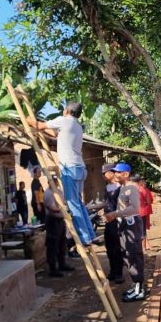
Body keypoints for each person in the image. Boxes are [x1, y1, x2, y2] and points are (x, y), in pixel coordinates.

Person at [28, 102, 97, 246]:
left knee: (73, 205)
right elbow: (53, 133)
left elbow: (39, 126)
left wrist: (29, 121)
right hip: (80, 168)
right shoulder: (77, 126)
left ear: (66, 111)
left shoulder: (64, 120)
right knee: (79, 204)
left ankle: (85, 238)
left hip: (70, 169)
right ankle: (90, 234)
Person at [104, 163, 146, 302]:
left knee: (134, 254)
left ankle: (139, 289)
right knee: (127, 255)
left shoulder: (131, 189)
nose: (115, 174)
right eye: (114, 172)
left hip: (131, 224)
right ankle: (135, 285)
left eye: (118, 172)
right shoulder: (122, 188)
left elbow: (134, 209)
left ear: (126, 174)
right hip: (123, 224)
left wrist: (115, 214)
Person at [44, 176, 75, 277]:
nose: (56, 182)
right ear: (50, 182)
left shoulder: (59, 191)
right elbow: (53, 208)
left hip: (61, 220)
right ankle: (53, 269)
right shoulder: (48, 193)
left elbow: (65, 201)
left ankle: (62, 264)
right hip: (52, 221)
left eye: (56, 180)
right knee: (53, 245)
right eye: (54, 181)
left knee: (62, 243)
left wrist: (68, 205)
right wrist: (63, 208)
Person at [102, 164, 124, 284]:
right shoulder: (107, 187)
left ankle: (119, 273)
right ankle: (112, 271)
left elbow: (123, 206)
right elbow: (106, 204)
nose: (103, 176)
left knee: (117, 248)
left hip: (117, 220)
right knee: (109, 247)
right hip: (108, 221)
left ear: (111, 173)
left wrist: (114, 215)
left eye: (104, 173)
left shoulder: (120, 187)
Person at [133, 175, 154, 251]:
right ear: (139, 181)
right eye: (143, 180)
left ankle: (142, 247)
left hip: (134, 212)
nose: (144, 182)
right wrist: (145, 202)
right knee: (143, 230)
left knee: (137, 230)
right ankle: (144, 248)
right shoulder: (143, 190)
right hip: (143, 212)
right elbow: (149, 201)